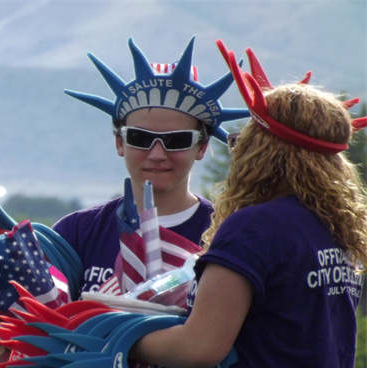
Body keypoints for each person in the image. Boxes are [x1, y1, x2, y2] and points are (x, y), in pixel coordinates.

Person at [131, 40, 367, 368]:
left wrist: (117, 336)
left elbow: (201, 346)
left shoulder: (255, 228)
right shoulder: (337, 229)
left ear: (262, 151)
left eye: (242, 140)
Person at [53, 37, 248, 297]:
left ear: (202, 147)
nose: (157, 154)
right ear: (119, 142)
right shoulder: (76, 233)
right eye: (140, 138)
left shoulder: (226, 236)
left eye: (177, 140)